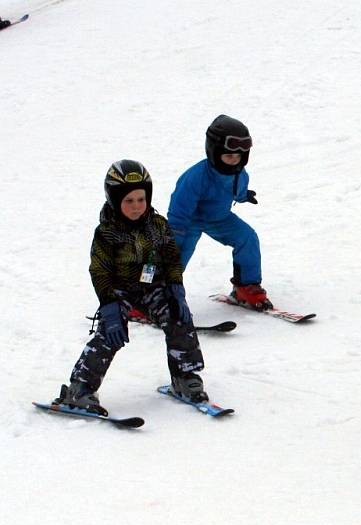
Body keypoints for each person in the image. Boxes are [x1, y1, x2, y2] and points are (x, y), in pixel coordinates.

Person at [55, 160, 208, 416]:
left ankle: (184, 375)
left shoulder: (157, 225)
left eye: (141, 199)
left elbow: (171, 258)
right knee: (110, 333)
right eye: (129, 201)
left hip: (152, 288)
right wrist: (109, 305)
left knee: (178, 316)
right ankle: (80, 387)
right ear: (114, 200)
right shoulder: (107, 232)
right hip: (119, 291)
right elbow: (99, 270)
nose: (136, 206)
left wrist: (176, 289)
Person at [167, 114, 272, 310]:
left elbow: (236, 190)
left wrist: (244, 196)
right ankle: (156, 296)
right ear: (214, 152)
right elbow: (180, 203)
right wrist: (177, 229)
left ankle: (246, 286)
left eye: (239, 156)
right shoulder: (196, 176)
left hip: (219, 218)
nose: (234, 161)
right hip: (189, 221)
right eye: (229, 155)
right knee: (175, 255)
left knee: (247, 238)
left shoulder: (240, 174)